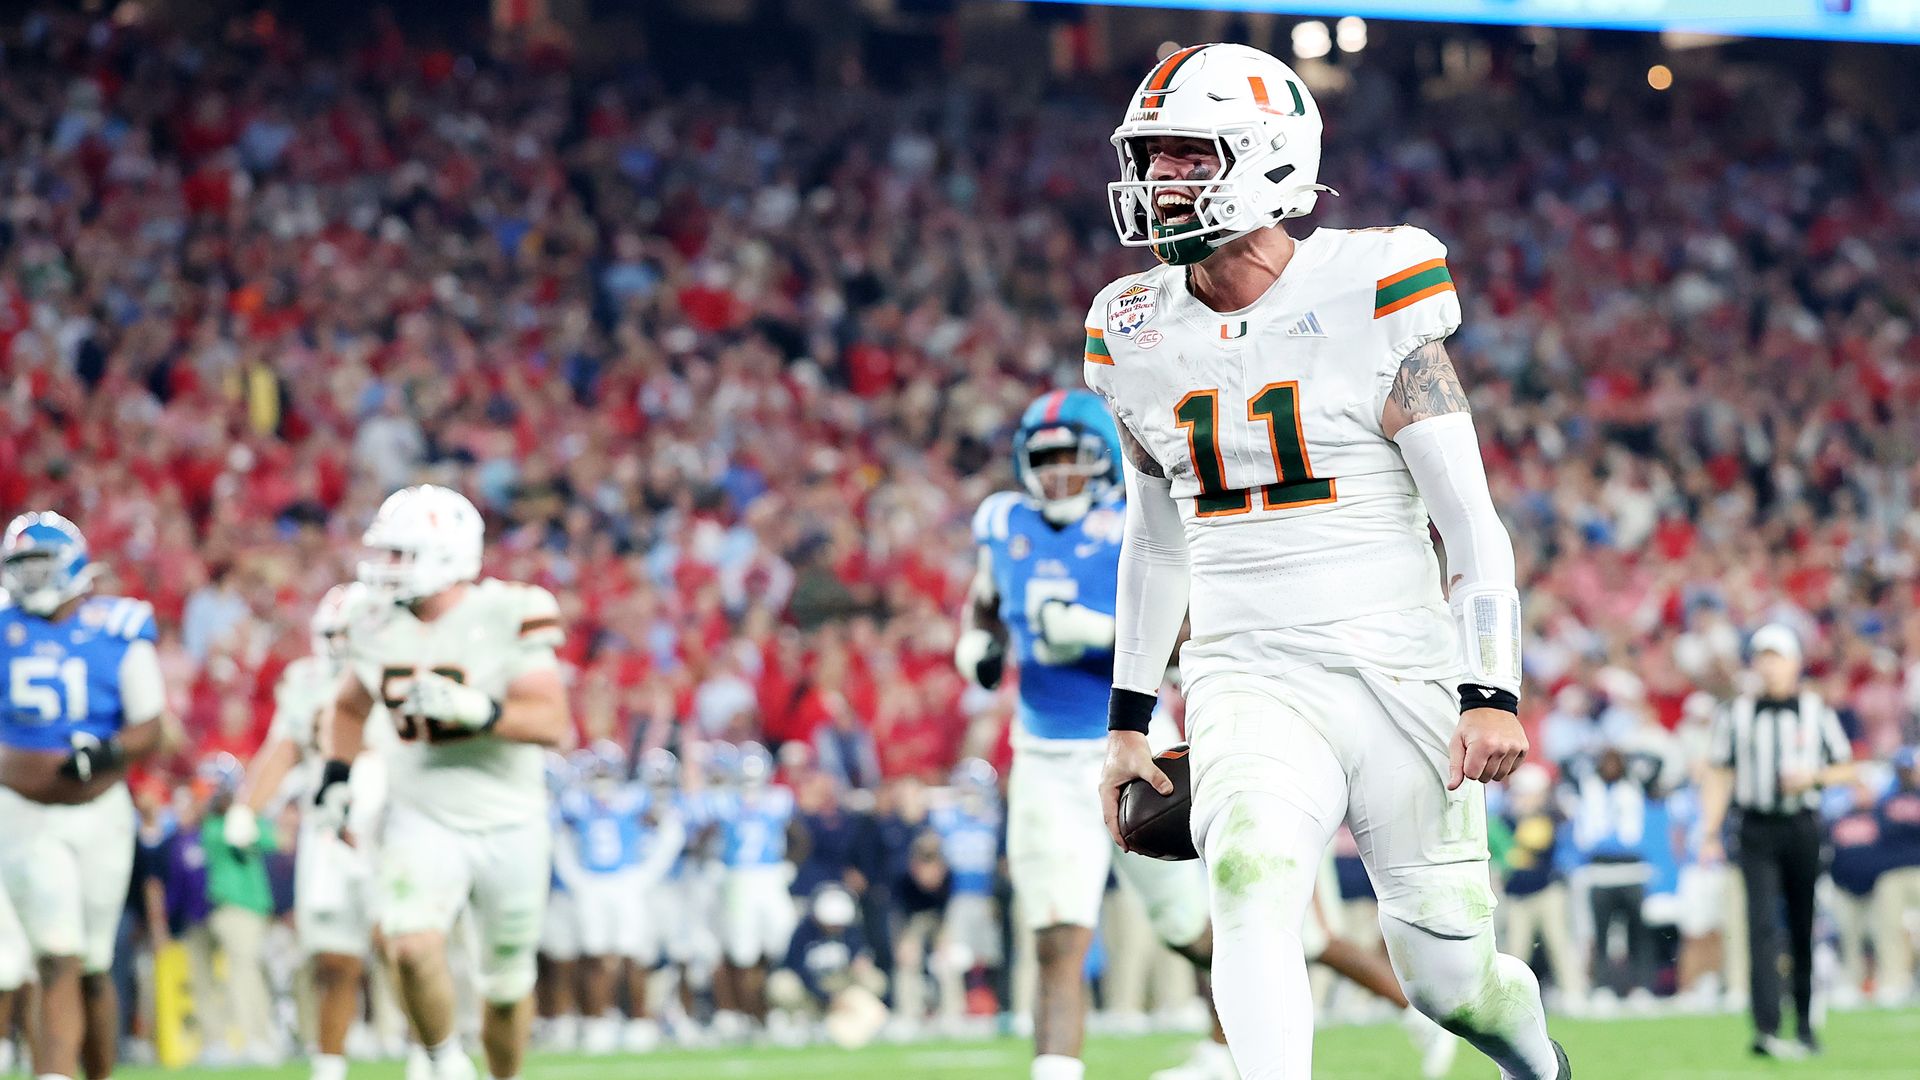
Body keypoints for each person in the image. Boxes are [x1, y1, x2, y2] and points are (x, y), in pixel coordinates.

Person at [1087, 44, 1568, 1080]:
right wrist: (1127, 722)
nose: (1162, 178)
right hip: (1245, 671)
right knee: (1249, 879)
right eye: (1153, 155)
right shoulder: (1131, 328)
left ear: (1269, 158)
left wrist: (1491, 690)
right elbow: (1155, 538)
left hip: (1397, 664)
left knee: (1450, 983)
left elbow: (1470, 522)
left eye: (1190, 154)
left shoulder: (1371, 285)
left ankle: (1536, 1058)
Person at [319, 485, 572, 1080]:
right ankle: (443, 1061)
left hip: (509, 819)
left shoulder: (508, 611)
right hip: (422, 812)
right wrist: (337, 774)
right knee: (408, 942)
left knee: (505, 987)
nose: (385, 568)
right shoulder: (371, 620)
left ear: (446, 555)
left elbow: (552, 722)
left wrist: (482, 711)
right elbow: (349, 706)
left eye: (400, 554)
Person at [0, 511, 173, 1080]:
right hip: (22, 810)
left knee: (96, 966)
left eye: (40, 564)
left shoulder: (118, 625)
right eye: (21, 565)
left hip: (101, 811)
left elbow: (149, 724)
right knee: (57, 955)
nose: (29, 578)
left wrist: (104, 754)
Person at [225, 582, 396, 1080]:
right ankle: (329, 1064)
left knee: (402, 945)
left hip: (388, 815)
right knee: (331, 956)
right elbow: (283, 749)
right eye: (334, 634)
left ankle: (430, 1053)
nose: (340, 644)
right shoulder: (307, 680)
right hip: (327, 818)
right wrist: (247, 808)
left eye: (349, 634)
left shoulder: (398, 668)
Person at [1698, 623, 1854, 1058]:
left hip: (1801, 824)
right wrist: (1709, 831)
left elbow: (1846, 767)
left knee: (1803, 924)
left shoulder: (1815, 710)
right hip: (1755, 827)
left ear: (1795, 663)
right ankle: (1765, 1027)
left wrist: (1813, 777)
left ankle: (1804, 1024)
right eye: (1763, 657)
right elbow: (1719, 772)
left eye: (1777, 657)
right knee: (1761, 926)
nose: (1770, 666)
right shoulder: (1737, 712)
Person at [553, 740, 683, 1055]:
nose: (601, 776)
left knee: (632, 955)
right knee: (595, 954)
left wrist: (645, 874)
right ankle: (599, 1021)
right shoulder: (576, 802)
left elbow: (668, 826)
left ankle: (639, 1020)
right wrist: (575, 877)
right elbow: (559, 835)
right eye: (596, 770)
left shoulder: (634, 798)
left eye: (605, 769)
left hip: (625, 881)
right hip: (592, 882)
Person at [709, 741, 799, 1038]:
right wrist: (714, 862)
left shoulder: (777, 800)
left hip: (768, 877)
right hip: (738, 880)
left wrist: (790, 863)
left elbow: (799, 836)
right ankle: (749, 1015)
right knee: (742, 949)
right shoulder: (724, 802)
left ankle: (776, 1011)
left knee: (781, 941)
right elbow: (707, 836)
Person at [199, 752, 284, 1063]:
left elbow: (273, 840)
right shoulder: (211, 823)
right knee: (230, 973)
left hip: (247, 906)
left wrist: (245, 821)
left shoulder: (245, 816)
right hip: (223, 905)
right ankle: (229, 1040)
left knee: (246, 972)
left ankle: (254, 1037)